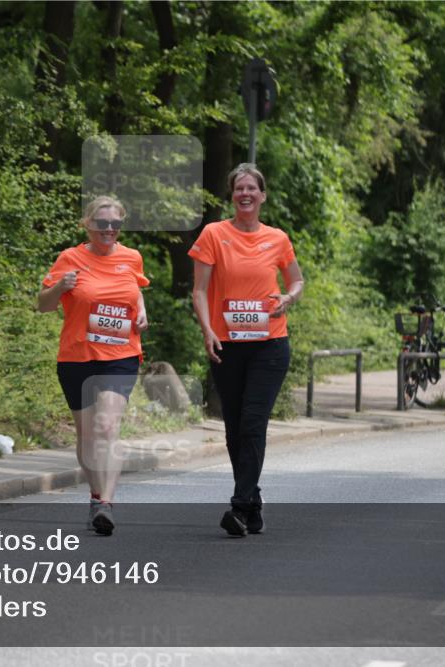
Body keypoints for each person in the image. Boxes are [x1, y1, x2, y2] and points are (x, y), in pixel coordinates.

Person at [189, 163, 304, 537]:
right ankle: (252, 502)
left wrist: (288, 297)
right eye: (239, 188)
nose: (246, 194)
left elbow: (297, 280)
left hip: (270, 345)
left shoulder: (278, 239)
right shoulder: (213, 234)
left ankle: (238, 509)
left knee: (253, 423)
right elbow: (200, 290)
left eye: (252, 188)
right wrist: (207, 330)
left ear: (262, 195)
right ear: (232, 195)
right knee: (235, 429)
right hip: (227, 345)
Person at [38, 196, 149, 535]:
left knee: (106, 427)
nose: (109, 230)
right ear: (88, 225)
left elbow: (135, 289)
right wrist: (60, 286)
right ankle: (95, 494)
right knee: (87, 435)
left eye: (115, 224)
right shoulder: (70, 258)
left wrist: (141, 310)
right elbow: (43, 305)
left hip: (120, 356)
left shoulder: (131, 257)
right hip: (77, 357)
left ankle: (106, 503)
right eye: (102, 224)